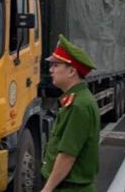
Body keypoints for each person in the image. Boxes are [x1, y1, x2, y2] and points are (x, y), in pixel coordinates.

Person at [41, 34, 99, 192]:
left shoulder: (78, 106)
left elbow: (67, 156)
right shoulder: (76, 100)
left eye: (56, 66)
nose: (51, 70)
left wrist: (47, 189)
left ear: (71, 71)